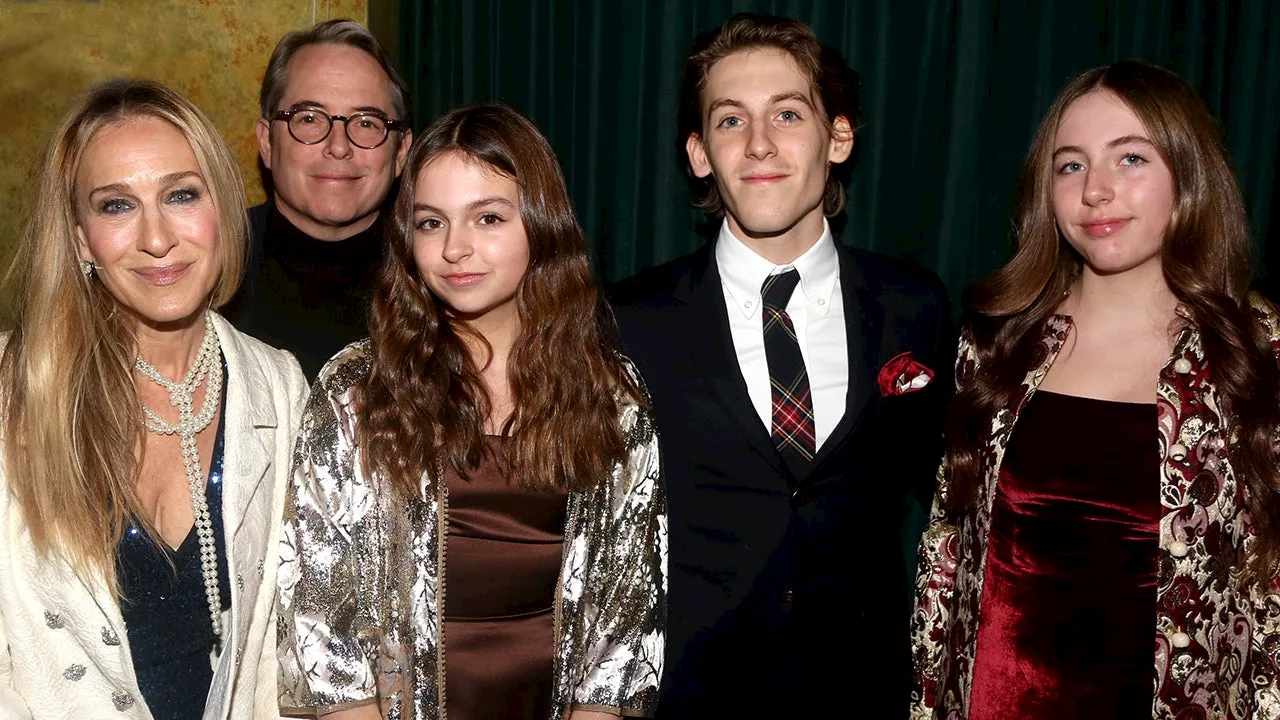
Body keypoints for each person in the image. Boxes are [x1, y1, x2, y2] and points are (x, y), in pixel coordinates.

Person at [911, 60, 1280, 718]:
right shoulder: (997, 346)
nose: (1096, 192)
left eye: (1131, 158)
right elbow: (944, 571)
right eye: (1071, 165)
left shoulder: (1257, 355)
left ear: (1189, 175)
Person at [610, 13, 952, 718]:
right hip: (687, 696)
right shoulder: (629, 319)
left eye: (787, 114)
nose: (760, 143)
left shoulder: (912, 307)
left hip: (862, 691)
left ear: (839, 136)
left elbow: (947, 500)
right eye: (731, 121)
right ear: (700, 153)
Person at [277, 104, 666, 720]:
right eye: (431, 223)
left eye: (488, 217)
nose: (456, 248)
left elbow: (625, 632)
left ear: (540, 224)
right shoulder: (358, 388)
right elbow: (325, 640)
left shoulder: (609, 393)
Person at [0, 79, 307, 719]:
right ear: (81, 238)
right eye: (116, 206)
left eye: (181, 195)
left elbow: (288, 649)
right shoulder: (13, 388)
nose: (157, 238)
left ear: (220, 208)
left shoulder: (278, 388)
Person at [223, 19, 413, 379]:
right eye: (309, 118)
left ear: (401, 152)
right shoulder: (205, 271)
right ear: (267, 142)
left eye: (366, 122)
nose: (339, 146)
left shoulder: (443, 279)